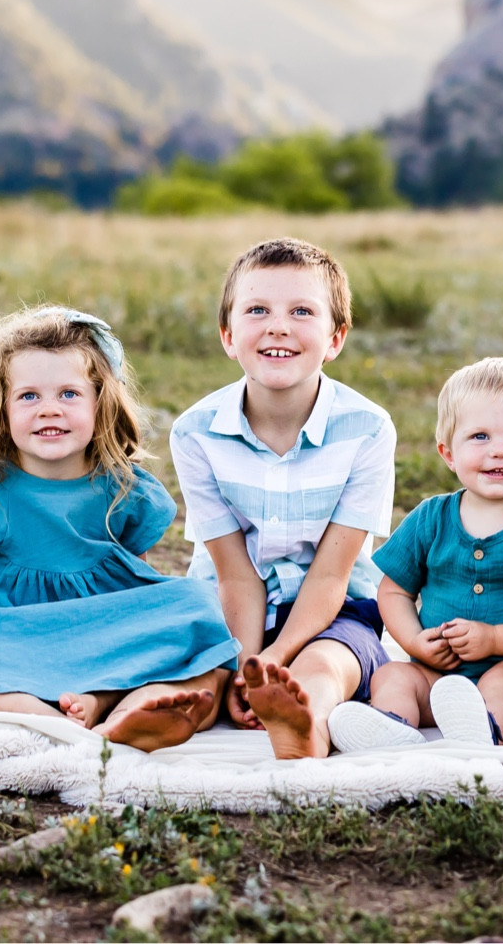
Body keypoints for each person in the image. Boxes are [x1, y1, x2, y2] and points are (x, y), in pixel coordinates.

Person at [0, 306, 239, 750]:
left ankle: (115, 707)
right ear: (1, 409)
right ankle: (25, 706)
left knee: (196, 602)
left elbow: (141, 598)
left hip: (96, 641)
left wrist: (161, 628)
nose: (49, 410)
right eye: (28, 397)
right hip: (7, 644)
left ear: (99, 403)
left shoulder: (123, 491)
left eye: (68, 394)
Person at [172, 237, 396, 760]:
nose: (278, 327)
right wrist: (245, 666)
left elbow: (331, 575)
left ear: (335, 338)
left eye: (301, 311)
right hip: (226, 603)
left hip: (333, 608)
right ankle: (168, 716)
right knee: (199, 669)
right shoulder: (195, 433)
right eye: (257, 310)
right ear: (228, 336)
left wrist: (275, 658)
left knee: (327, 665)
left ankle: (306, 725)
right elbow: (234, 575)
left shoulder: (367, 429)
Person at [330, 358, 503, 751]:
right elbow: (394, 591)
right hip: (440, 672)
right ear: (448, 453)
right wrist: (416, 642)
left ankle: (484, 731)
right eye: (480, 436)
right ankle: (391, 727)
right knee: (392, 675)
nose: (499, 450)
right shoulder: (431, 519)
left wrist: (495, 639)